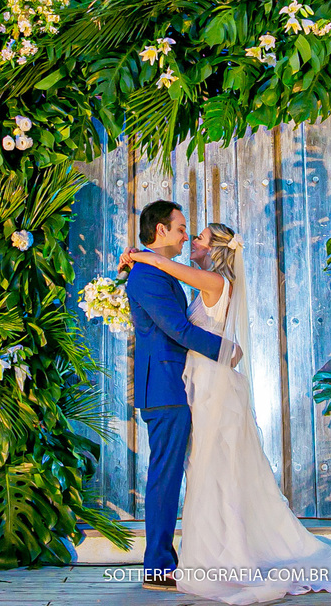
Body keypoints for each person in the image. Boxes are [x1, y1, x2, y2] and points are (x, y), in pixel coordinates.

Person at [121, 219, 331, 604]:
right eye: (185, 231)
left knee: (212, 466)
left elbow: (173, 291)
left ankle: (216, 556)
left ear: (214, 249)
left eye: (200, 238)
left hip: (209, 385)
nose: (191, 239)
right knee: (207, 468)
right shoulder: (200, 279)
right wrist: (139, 261)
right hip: (195, 384)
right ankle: (207, 552)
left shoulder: (213, 282)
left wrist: (141, 256)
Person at [123, 200, 240, 591]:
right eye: (180, 227)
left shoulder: (159, 272)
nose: (186, 234)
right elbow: (178, 329)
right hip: (167, 387)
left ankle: (184, 556)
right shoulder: (148, 275)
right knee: (166, 477)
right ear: (160, 231)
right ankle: (157, 566)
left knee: (181, 473)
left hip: (180, 385)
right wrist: (227, 351)